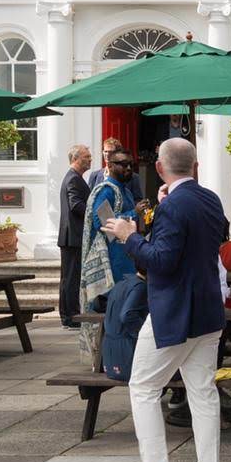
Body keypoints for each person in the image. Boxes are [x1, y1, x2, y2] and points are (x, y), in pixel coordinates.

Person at [102, 138, 226, 462]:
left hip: (174, 311)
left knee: (142, 386)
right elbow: (186, 244)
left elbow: (162, 260)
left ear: (159, 167)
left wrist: (130, 236)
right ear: (196, 166)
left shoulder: (174, 207)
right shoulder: (209, 199)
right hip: (207, 309)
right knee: (203, 392)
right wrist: (162, 207)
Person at [80, 149, 140, 365]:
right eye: (122, 164)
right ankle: (112, 357)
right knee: (115, 310)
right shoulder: (106, 190)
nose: (128, 168)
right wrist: (134, 214)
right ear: (110, 165)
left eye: (130, 164)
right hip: (112, 262)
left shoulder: (126, 190)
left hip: (126, 257)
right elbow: (103, 223)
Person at [58, 144, 92, 328]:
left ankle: (68, 315)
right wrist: (94, 212)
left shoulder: (75, 178)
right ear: (76, 159)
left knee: (69, 278)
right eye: (86, 156)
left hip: (72, 236)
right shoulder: (73, 179)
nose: (90, 159)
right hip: (73, 236)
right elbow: (76, 205)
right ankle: (70, 317)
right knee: (71, 279)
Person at [89, 138, 145, 202]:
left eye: (111, 152)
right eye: (105, 151)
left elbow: (138, 201)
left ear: (118, 153)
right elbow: (90, 200)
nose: (107, 154)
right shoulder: (94, 176)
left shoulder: (133, 177)